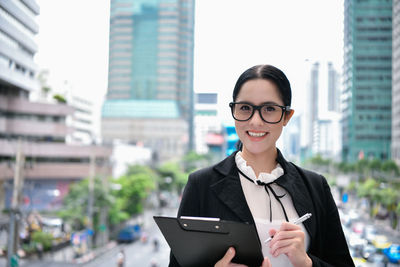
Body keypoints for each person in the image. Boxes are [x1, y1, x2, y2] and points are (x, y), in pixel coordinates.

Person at [169, 64, 354, 267]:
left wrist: (307, 263)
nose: (256, 121)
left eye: (269, 109)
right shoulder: (201, 185)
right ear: (233, 111)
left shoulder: (315, 186)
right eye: (245, 108)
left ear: (286, 116)